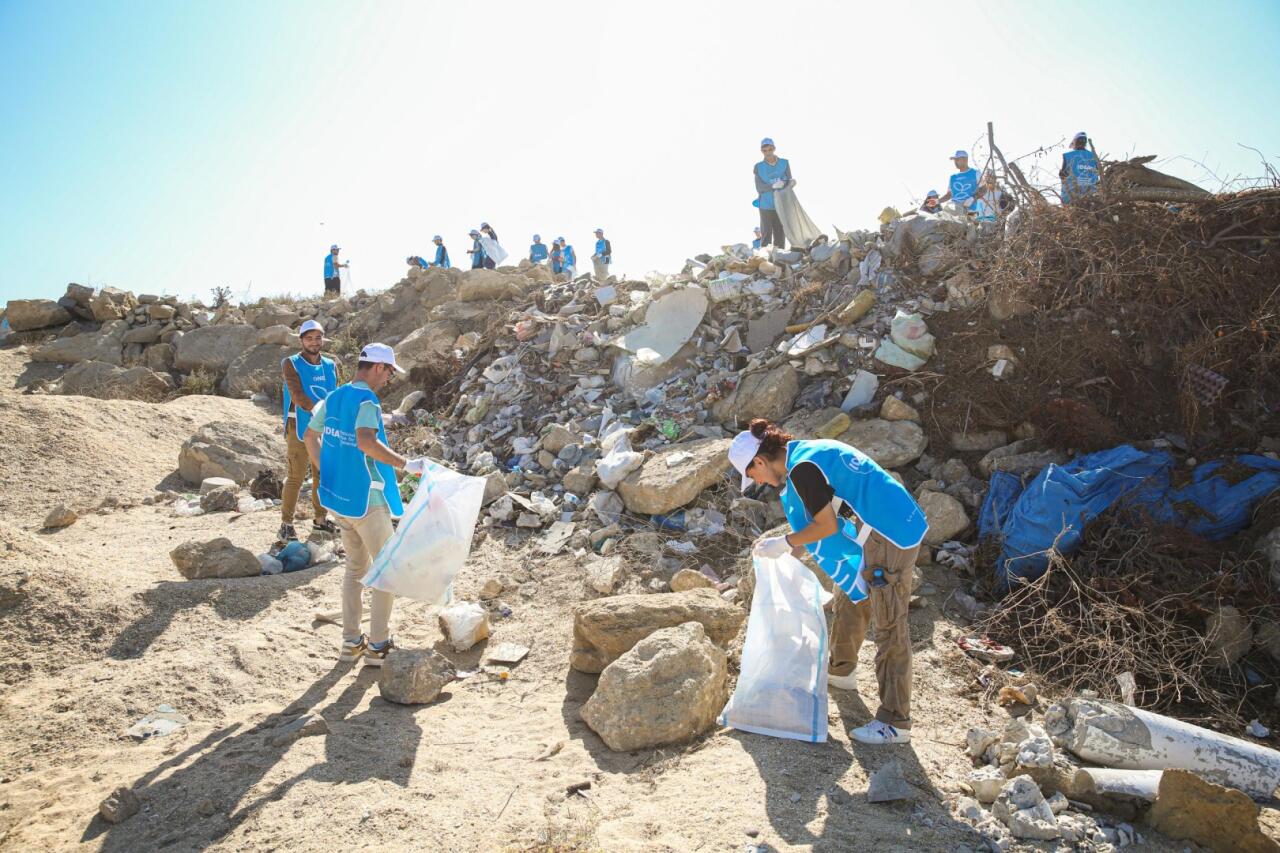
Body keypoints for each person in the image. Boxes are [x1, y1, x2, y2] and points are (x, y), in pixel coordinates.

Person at [730, 418, 928, 746]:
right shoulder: (806, 455)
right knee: (851, 592)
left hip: (889, 533)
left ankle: (896, 721)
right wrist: (790, 546)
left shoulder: (804, 469)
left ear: (761, 461)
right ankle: (840, 670)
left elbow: (826, 527)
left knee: (890, 623)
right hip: (883, 522)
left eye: (752, 475)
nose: (758, 482)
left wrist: (786, 543)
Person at [303, 343, 426, 666]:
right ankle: (378, 646)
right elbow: (366, 442)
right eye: (388, 372)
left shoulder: (335, 396)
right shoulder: (367, 401)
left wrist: (326, 471)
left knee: (356, 569)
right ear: (377, 367)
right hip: (366, 500)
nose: (388, 379)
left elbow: (309, 436)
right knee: (387, 570)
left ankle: (350, 643)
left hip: (337, 498)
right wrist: (407, 465)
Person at [279, 319, 338, 542]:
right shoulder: (291, 363)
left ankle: (321, 521)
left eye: (318, 338)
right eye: (309, 338)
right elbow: (296, 393)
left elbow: (335, 393)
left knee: (321, 475)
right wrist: (315, 408)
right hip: (300, 425)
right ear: (301, 340)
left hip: (325, 427)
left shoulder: (331, 365)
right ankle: (286, 524)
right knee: (295, 476)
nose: (314, 342)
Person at [753, 137, 792, 248]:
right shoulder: (758, 167)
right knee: (766, 234)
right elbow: (760, 187)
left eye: (770, 149)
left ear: (774, 148)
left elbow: (788, 180)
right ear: (762, 151)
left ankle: (779, 260)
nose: (768, 153)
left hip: (781, 204)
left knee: (780, 234)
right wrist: (773, 186)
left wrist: (790, 183)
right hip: (765, 204)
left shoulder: (784, 163)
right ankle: (766, 260)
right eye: (765, 151)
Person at [1060, 131, 1100, 203]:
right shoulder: (1094, 156)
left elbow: (1062, 175)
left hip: (1071, 198)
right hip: (1092, 197)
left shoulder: (1067, 156)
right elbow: (1098, 174)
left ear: (1075, 142)